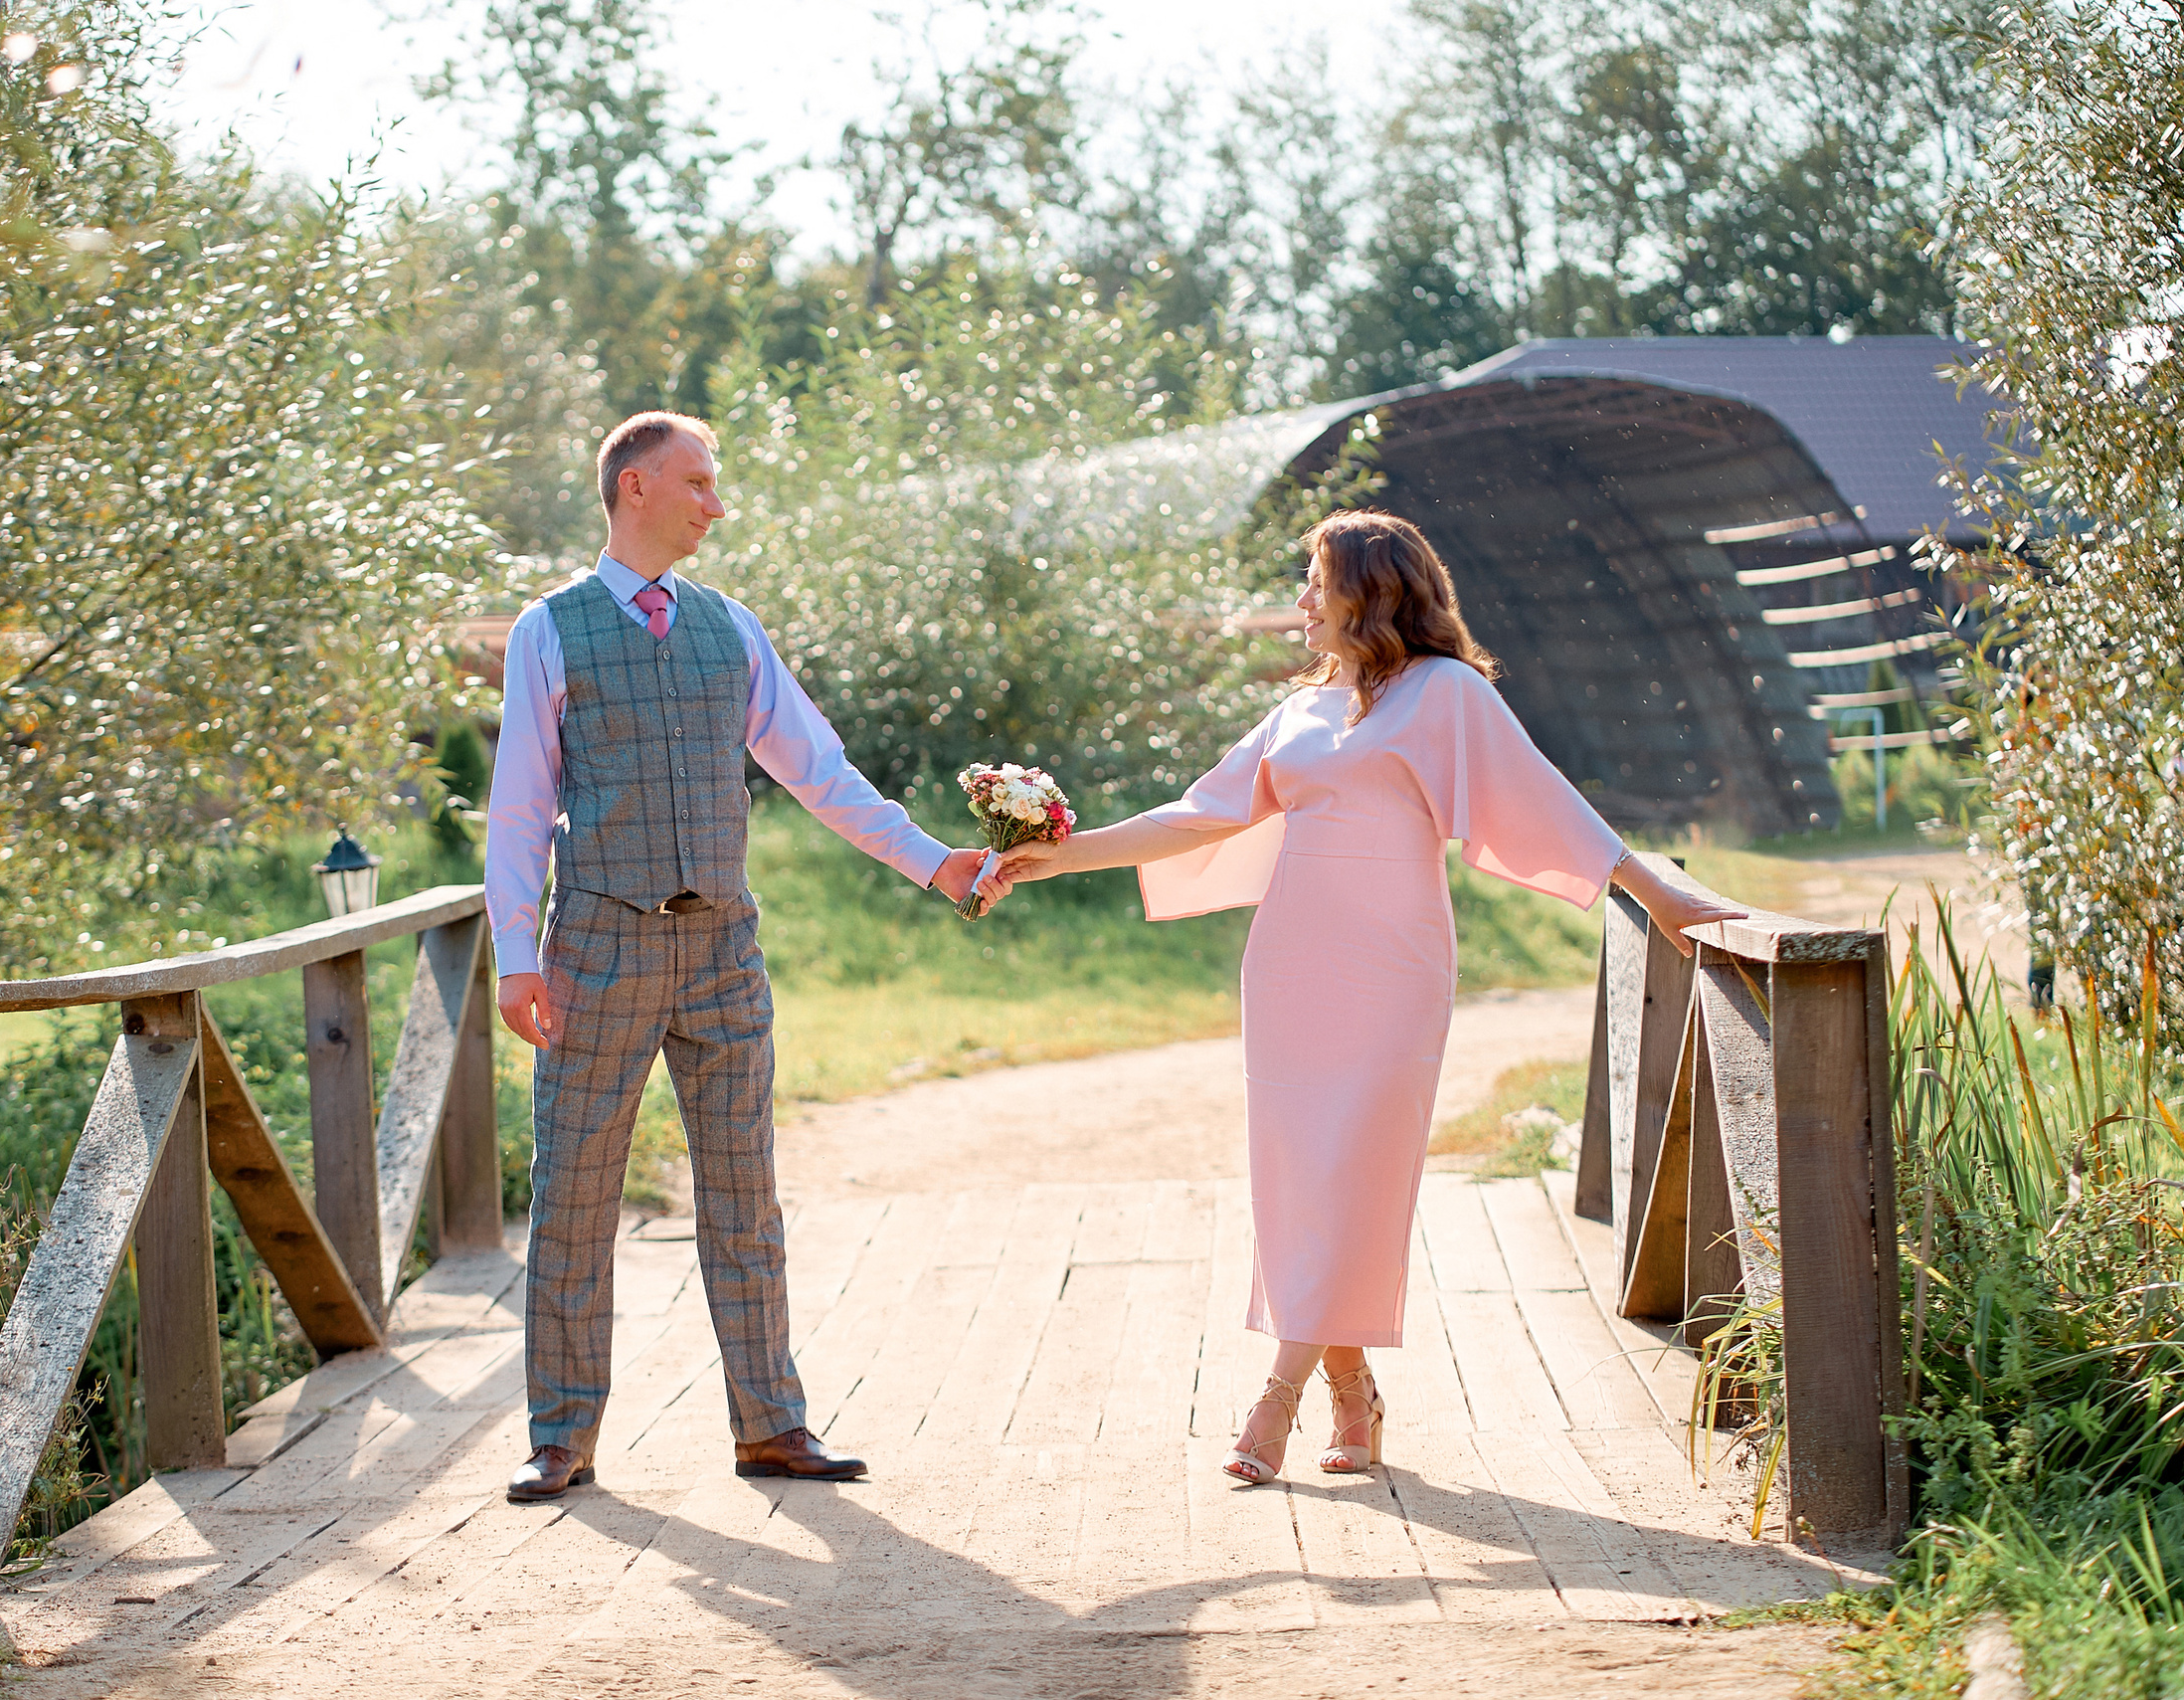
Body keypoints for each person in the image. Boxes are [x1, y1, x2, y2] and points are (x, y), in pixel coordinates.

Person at [978, 509, 1740, 1483]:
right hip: (1290, 966)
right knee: (1302, 1176)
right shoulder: (1303, 710)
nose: (1301, 598)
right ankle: (1352, 1390)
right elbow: (1198, 815)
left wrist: (1658, 891)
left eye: (1316, 578)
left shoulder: (1447, 692)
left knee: (1354, 1172)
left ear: (1369, 589)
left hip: (1392, 971)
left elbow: (1542, 796)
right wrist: (1056, 856)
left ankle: (1277, 1396)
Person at [484, 412, 989, 1501]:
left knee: (744, 1193)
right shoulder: (548, 629)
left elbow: (821, 771)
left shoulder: (731, 627)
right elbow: (519, 805)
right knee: (573, 1194)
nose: (716, 504)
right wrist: (516, 955)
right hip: (597, 947)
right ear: (634, 486)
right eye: (698, 483)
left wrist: (934, 862)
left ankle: (771, 1425)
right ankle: (560, 1436)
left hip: (722, 945)